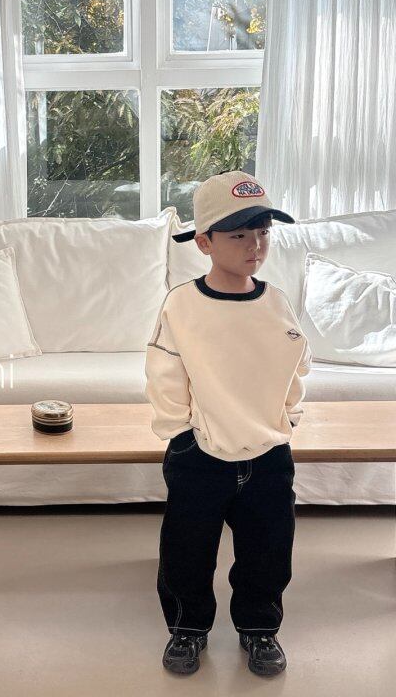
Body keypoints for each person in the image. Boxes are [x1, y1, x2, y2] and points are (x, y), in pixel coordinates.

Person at [144, 170, 312, 677]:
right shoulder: (183, 304)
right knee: (186, 551)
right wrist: (180, 433)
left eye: (262, 232)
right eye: (238, 234)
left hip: (268, 453)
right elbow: (165, 372)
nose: (254, 246)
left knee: (268, 551)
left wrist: (288, 418)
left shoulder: (275, 301)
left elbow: (296, 363)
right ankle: (187, 627)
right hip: (200, 453)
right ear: (204, 242)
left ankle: (259, 628)